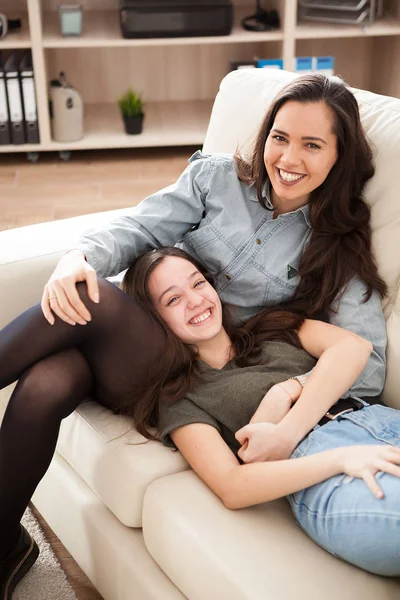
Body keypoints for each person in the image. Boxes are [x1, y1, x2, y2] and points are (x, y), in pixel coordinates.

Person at [0, 73, 389, 595]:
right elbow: (141, 228)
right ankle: (6, 545)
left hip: (187, 371)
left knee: (94, 300)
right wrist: (79, 256)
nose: (289, 159)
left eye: (312, 145)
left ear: (338, 158)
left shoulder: (337, 248)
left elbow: (367, 369)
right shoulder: (218, 180)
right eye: (280, 137)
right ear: (265, 135)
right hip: (129, 336)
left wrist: (290, 393)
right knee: (51, 377)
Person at [122, 246, 400, 576]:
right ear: (156, 320)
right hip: (323, 468)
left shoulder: (271, 326)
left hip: (379, 420)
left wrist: (288, 393)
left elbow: (353, 347)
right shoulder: (180, 397)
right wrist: (339, 460)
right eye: (173, 299)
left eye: (197, 284)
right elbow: (232, 486)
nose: (195, 301)